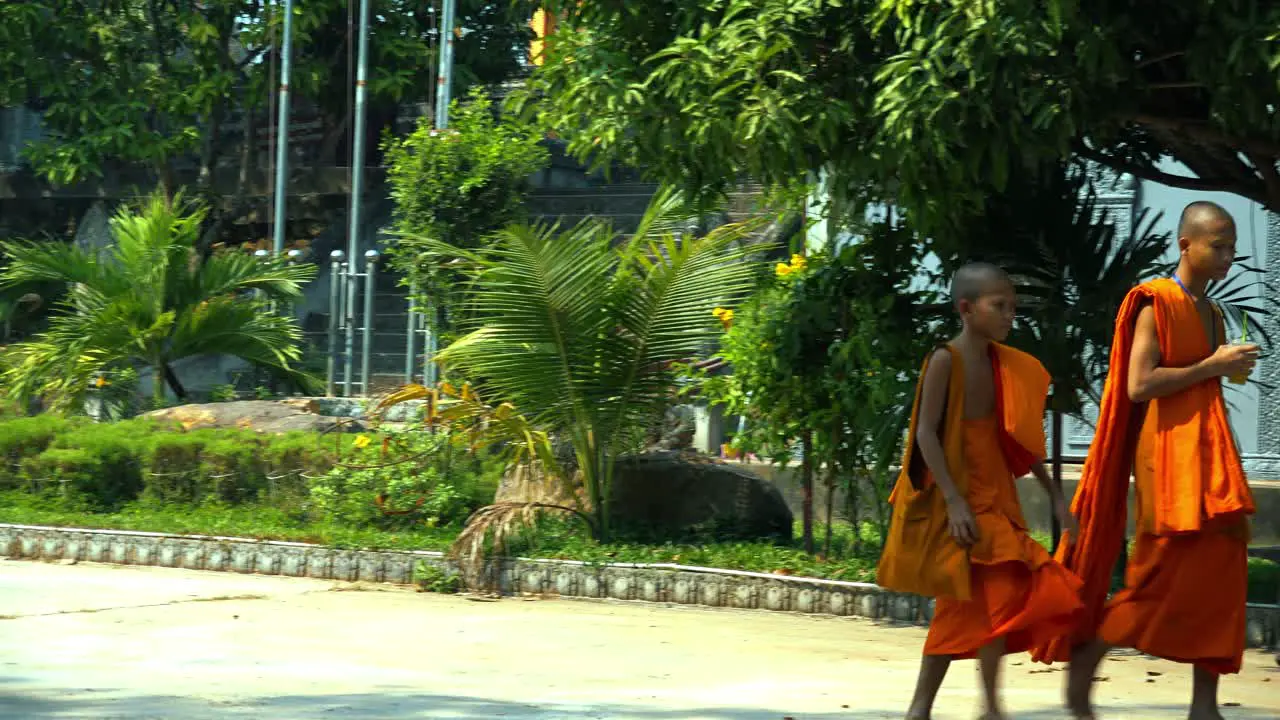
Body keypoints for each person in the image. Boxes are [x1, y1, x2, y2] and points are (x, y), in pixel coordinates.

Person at [1029, 201, 1259, 720]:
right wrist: (1210, 365)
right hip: (1169, 464)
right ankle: (1087, 658)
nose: (1228, 256)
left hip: (1213, 462)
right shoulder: (1156, 301)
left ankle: (1205, 706)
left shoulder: (1214, 312)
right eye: (1218, 246)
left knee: (1223, 581)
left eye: (1232, 247)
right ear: (1186, 245)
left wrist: (1222, 369)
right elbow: (1138, 385)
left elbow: (1206, 383)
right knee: (1156, 582)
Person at [878, 262, 1083, 720]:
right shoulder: (945, 360)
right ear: (966, 309)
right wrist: (953, 501)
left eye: (1013, 306)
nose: (1011, 315)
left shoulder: (1002, 365)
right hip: (963, 499)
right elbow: (926, 434)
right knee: (979, 598)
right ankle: (934, 707)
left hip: (995, 497)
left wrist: (1054, 495)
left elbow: (1017, 438)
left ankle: (982, 706)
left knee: (993, 599)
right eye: (1000, 306)